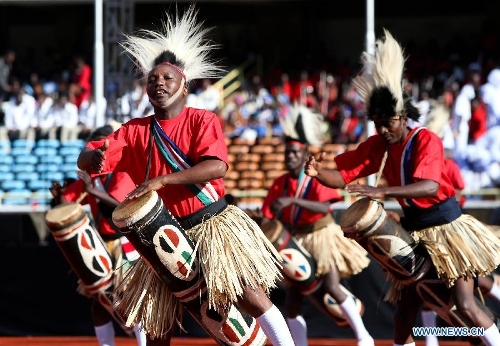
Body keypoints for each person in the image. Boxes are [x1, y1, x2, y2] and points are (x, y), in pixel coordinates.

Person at [77, 5, 295, 346]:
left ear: (184, 87)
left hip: (211, 225)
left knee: (249, 295)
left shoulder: (201, 120)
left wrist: (162, 181)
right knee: (156, 323)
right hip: (161, 232)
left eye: (167, 78)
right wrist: (93, 155)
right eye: (152, 79)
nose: (158, 83)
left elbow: (217, 167)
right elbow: (86, 159)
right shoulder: (134, 131)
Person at [304, 29, 500, 346]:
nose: (382, 129)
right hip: (414, 231)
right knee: (405, 314)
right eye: (377, 123)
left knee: (464, 305)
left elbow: (429, 185)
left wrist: (382, 193)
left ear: (403, 117)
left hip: (447, 229)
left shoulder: (425, 139)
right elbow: (341, 178)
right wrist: (317, 172)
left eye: (388, 122)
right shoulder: (376, 145)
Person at [249, 103, 374, 346]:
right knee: (293, 299)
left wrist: (292, 200)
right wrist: (255, 216)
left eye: (295, 153)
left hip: (322, 234)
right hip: (297, 240)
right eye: (287, 153)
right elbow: (268, 215)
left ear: (304, 153)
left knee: (332, 285)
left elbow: (324, 208)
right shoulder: (280, 183)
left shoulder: (312, 178)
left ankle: (364, 337)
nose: (290, 157)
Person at [50, 125, 148, 346]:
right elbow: (67, 203)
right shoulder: (91, 178)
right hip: (101, 244)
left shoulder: (123, 174)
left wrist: (92, 190)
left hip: (127, 244)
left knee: (133, 298)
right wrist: (58, 197)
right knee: (98, 302)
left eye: (104, 147)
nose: (100, 153)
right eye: (95, 148)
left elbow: (123, 208)